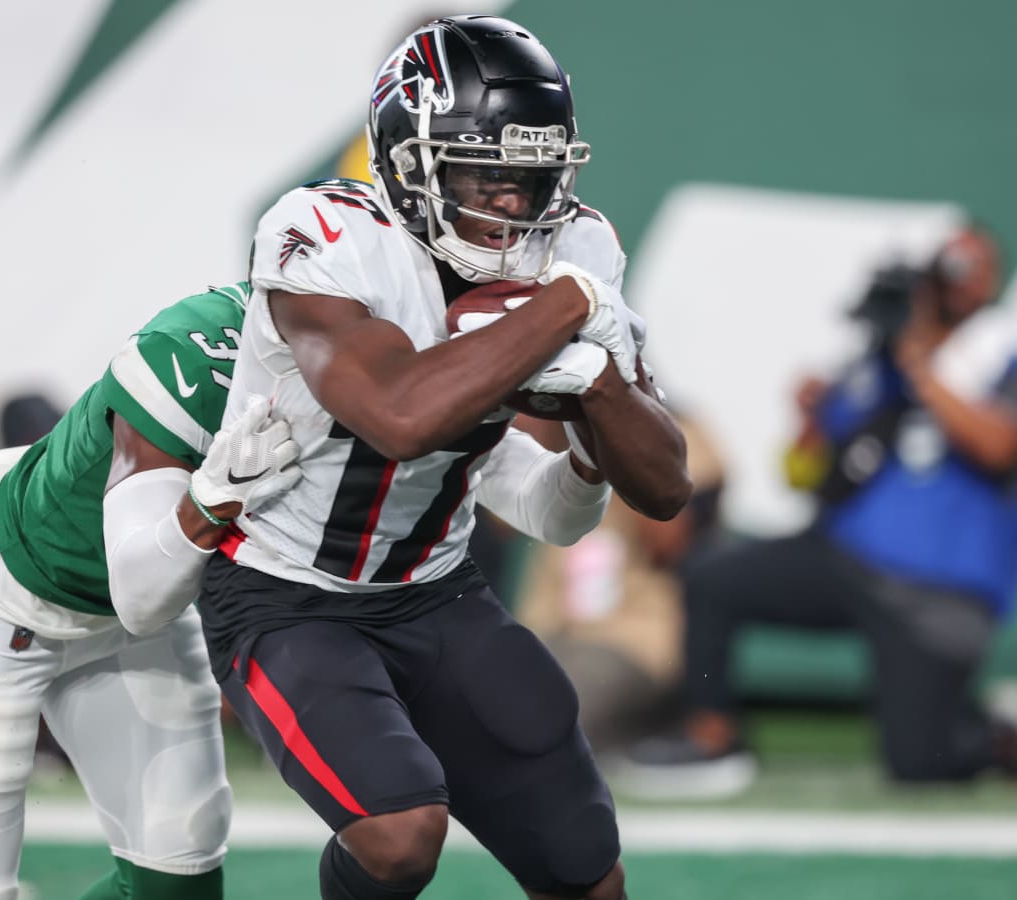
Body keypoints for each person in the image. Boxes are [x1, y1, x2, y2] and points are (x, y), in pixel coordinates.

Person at [196, 15, 690, 900]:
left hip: (436, 586)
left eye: (533, 176)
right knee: (399, 833)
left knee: (584, 867)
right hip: (284, 592)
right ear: (410, 165)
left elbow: (664, 488)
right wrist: (567, 306)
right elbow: (398, 416)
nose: (512, 201)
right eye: (486, 172)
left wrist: (604, 390)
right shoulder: (326, 233)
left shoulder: (574, 243)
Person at [0, 280, 301, 898]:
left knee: (176, 880)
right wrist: (210, 507)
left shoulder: (366, 367)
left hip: (132, 604)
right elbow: (145, 587)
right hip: (1, 588)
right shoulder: (190, 352)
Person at [622, 225, 1017, 797]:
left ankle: (995, 734)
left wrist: (922, 370)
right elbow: (807, 479)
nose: (953, 286)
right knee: (713, 579)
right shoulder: (874, 368)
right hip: (845, 559)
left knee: (920, 764)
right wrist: (809, 422)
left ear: (991, 279)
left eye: (967, 270)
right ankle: (710, 731)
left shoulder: (996, 349)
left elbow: (999, 447)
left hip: (934, 592)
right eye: (942, 274)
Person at [517, 412, 726, 753]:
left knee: (547, 717)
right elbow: (500, 523)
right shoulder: (554, 426)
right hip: (548, 628)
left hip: (629, 634)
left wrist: (616, 437)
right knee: (478, 708)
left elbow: (669, 541)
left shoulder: (677, 430)